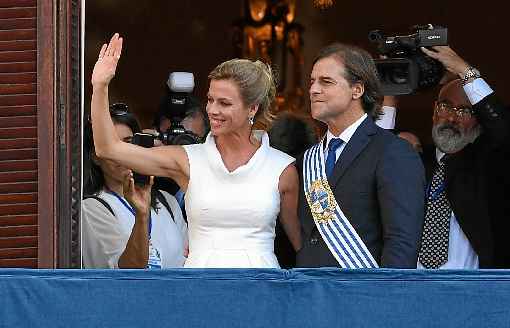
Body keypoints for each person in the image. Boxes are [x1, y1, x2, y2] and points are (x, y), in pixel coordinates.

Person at [90, 33, 301, 268]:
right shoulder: (188, 159)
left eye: (225, 103)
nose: (212, 110)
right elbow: (108, 148)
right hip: (199, 290)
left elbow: (300, 247)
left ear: (252, 108)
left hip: (261, 291)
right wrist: (100, 86)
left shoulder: (282, 168)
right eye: (210, 100)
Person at [295, 43, 426, 269]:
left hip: (362, 295)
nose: (313, 90)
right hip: (309, 292)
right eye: (312, 82)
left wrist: (383, 298)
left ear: (357, 90)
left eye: (326, 82)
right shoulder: (307, 159)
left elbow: (401, 242)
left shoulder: (392, 152)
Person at [414, 46, 510, 269]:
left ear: (479, 121)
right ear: (434, 110)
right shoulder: (413, 162)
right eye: (446, 107)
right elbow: (373, 156)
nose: (451, 118)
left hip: (470, 289)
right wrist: (389, 97)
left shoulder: (487, 162)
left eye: (464, 111)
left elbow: (503, 131)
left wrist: (464, 70)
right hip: (411, 287)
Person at [82, 106, 188, 269]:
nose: (121, 154)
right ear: (96, 157)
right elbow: (128, 272)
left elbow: (190, 262)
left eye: (129, 143)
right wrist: (142, 215)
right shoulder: (92, 207)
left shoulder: (167, 201)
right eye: (111, 147)